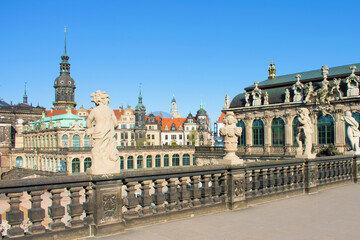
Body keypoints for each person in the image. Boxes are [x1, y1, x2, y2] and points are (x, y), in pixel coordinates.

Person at [86, 90, 119, 174]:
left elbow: (88, 122)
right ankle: (110, 166)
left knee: (97, 149)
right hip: (108, 130)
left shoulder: (95, 110)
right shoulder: (110, 110)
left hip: (98, 130)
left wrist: (91, 129)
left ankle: (97, 167)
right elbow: (116, 123)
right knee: (107, 148)